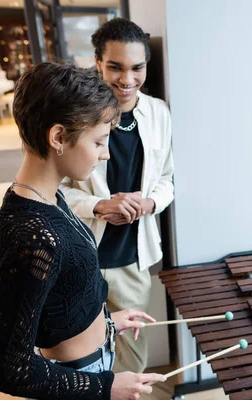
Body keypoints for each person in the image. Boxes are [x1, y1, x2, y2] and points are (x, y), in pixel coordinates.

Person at [0, 62, 165, 400]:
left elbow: (62, 298)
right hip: (78, 378)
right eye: (98, 142)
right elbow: (5, 366)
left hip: (97, 357)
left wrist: (107, 320)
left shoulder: (50, 199)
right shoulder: (30, 235)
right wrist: (104, 387)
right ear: (59, 137)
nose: (106, 154)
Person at [60, 18, 174, 374]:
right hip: (81, 256)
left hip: (132, 260)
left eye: (137, 67)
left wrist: (151, 203)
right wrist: (97, 205)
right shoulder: (73, 113)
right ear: (97, 63)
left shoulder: (158, 113)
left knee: (131, 357)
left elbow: (167, 179)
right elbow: (52, 189)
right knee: (83, 355)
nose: (127, 79)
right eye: (115, 67)